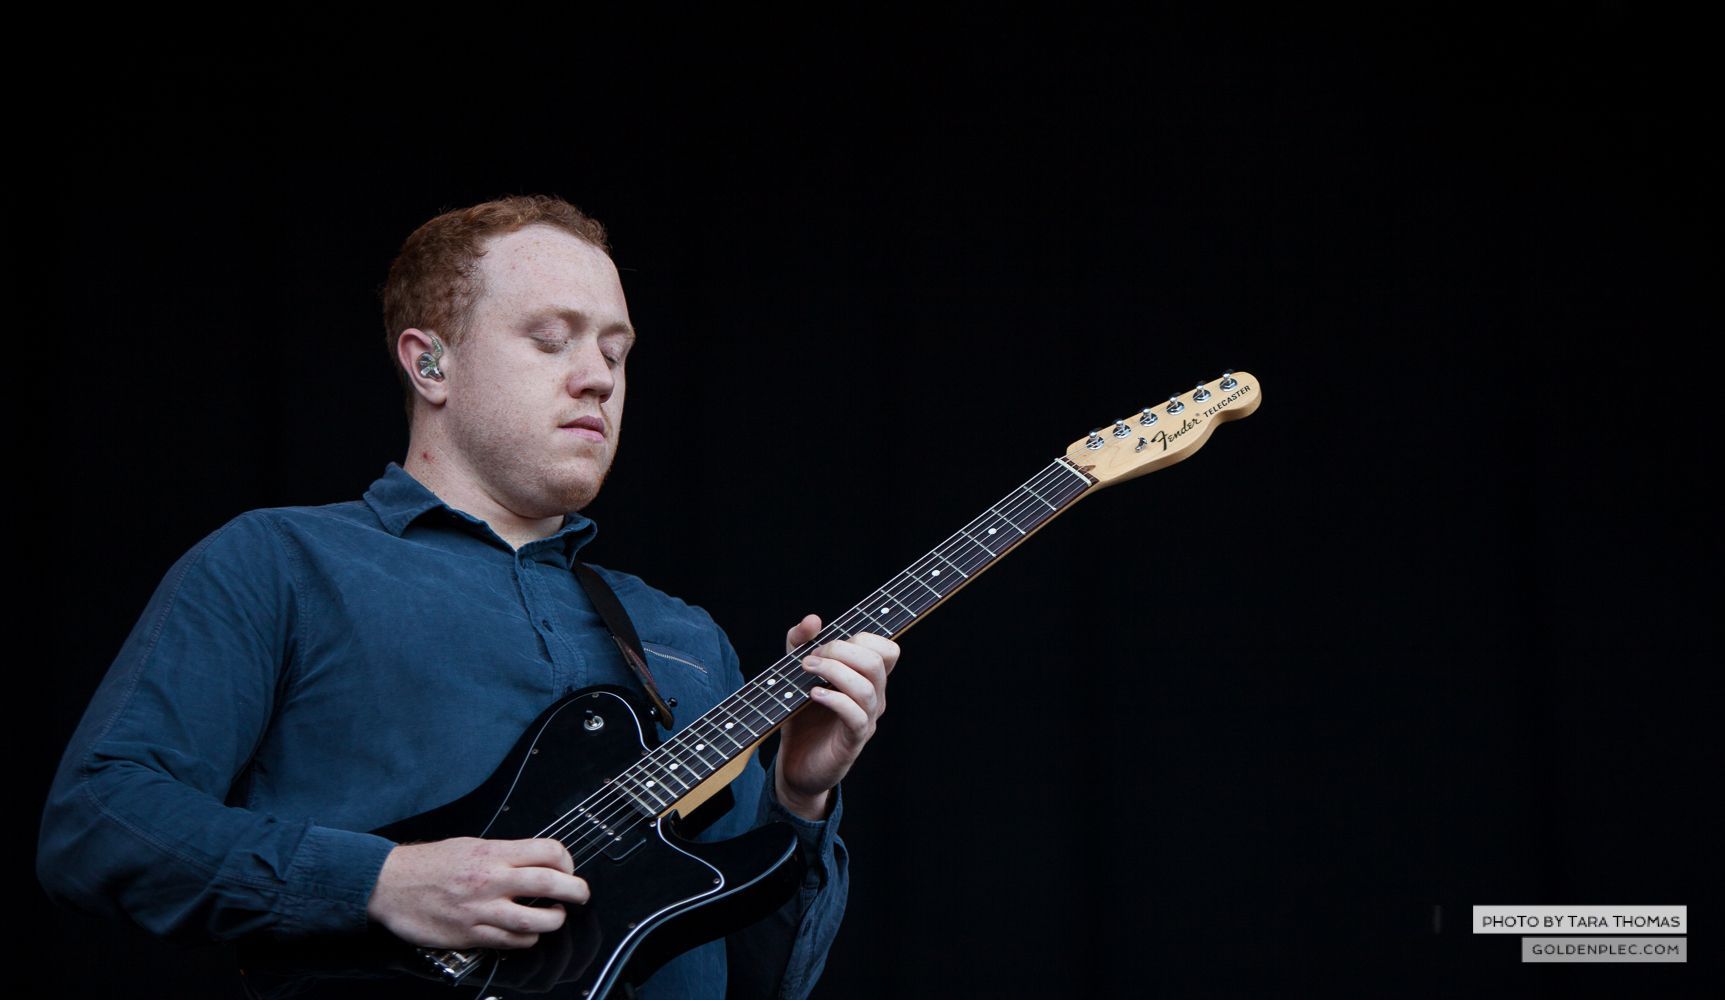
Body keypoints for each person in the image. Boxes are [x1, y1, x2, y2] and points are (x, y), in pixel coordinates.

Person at [37, 195, 898, 998]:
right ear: (430, 362)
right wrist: (380, 882)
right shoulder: (279, 563)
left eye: (615, 349)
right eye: (552, 338)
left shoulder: (682, 638)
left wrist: (798, 797)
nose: (598, 377)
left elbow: (764, 978)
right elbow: (99, 821)